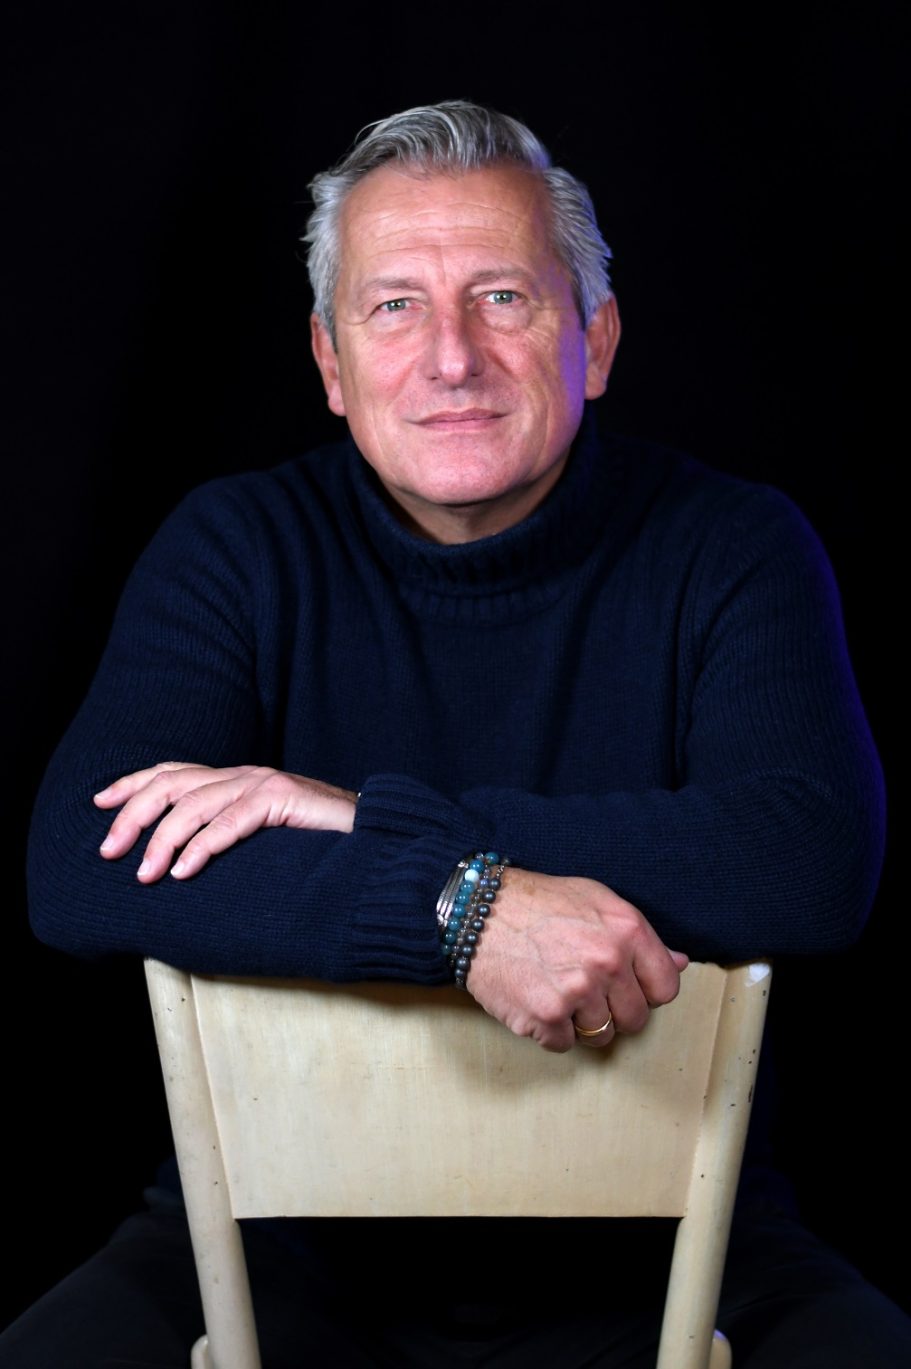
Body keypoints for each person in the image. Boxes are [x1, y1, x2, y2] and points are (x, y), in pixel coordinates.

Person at [9, 99, 908, 1366]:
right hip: (268, 1247)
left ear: (594, 340)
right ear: (330, 364)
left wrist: (359, 816)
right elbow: (82, 860)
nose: (450, 359)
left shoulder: (733, 548)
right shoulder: (235, 548)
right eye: (393, 307)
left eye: (501, 298)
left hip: (678, 1248)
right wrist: (458, 904)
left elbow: (803, 859)